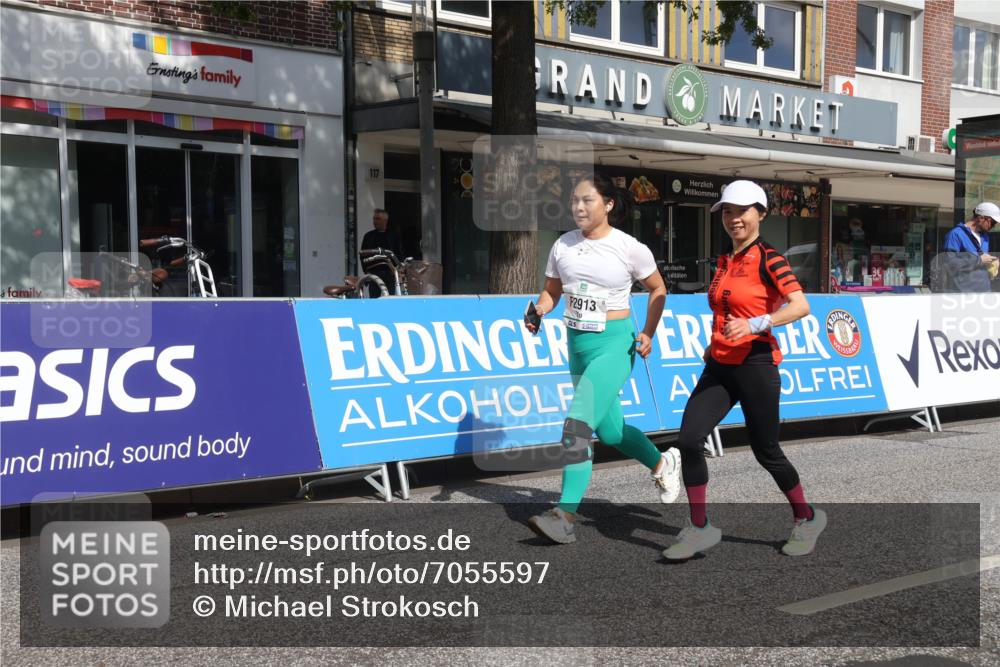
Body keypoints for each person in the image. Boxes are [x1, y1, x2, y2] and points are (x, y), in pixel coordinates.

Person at [664, 180, 826, 560]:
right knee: (689, 440)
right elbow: (725, 310)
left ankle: (806, 517)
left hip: (756, 363)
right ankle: (700, 528)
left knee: (766, 450)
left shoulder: (770, 258)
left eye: (741, 211)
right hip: (720, 364)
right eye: (728, 211)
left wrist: (756, 324)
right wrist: (715, 341)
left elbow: (800, 306)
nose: (733, 218)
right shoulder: (725, 259)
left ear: (761, 213)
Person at [523, 173, 682, 544]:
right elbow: (551, 291)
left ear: (608, 205)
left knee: (576, 426)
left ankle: (564, 515)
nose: (578, 207)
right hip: (577, 346)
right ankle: (663, 463)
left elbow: (658, 288)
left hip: (614, 345)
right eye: (575, 201)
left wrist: (649, 332)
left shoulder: (629, 248)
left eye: (587, 201)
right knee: (610, 431)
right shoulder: (563, 245)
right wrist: (539, 311)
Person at [937, 202, 999, 293]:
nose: (993, 226)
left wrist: (992, 263)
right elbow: (949, 263)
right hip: (963, 293)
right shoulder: (956, 234)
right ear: (981, 218)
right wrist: (979, 260)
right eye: (992, 222)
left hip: (984, 291)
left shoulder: (985, 237)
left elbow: (982, 260)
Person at [360, 208, 403, 295]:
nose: (375, 221)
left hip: (389, 272)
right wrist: (366, 271)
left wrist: (397, 270)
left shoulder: (393, 235)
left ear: (385, 220)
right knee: (374, 300)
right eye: (374, 218)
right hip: (374, 273)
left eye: (378, 219)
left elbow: (398, 253)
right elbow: (362, 255)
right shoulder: (368, 236)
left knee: (389, 298)